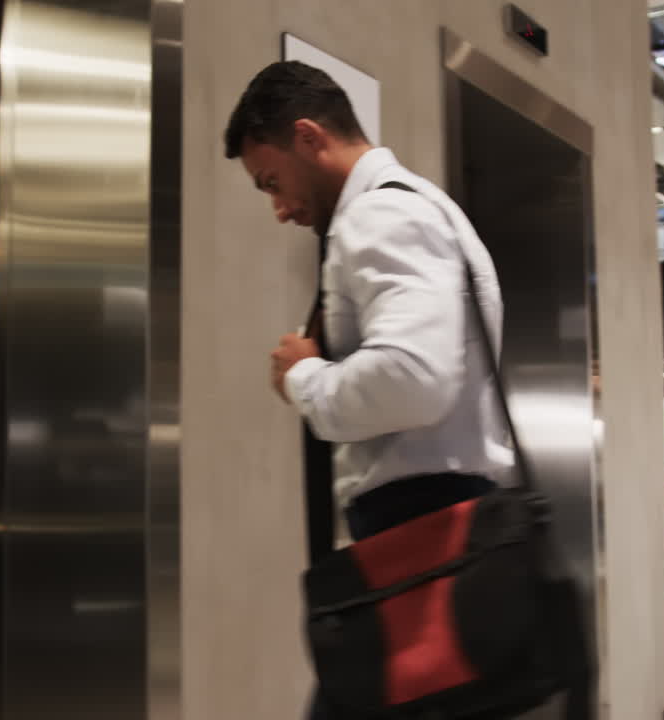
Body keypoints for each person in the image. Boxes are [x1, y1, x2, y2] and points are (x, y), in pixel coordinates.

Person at [223, 61, 516, 717]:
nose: (278, 208)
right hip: (437, 528)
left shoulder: (380, 217)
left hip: (422, 535)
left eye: (272, 182)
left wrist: (303, 375)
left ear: (309, 137)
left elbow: (411, 380)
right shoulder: (415, 208)